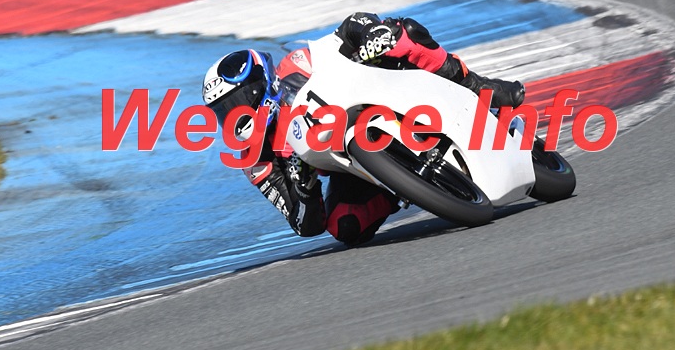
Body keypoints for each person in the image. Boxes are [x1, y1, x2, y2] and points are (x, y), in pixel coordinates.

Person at [202, 13, 526, 246]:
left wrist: (370, 35)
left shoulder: (295, 65)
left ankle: (476, 85)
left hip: (380, 92)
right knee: (346, 227)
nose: (235, 115)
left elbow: (346, 29)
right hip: (351, 166)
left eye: (238, 101)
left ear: (260, 82)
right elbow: (305, 225)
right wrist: (303, 184)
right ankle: (404, 185)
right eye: (223, 111)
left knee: (402, 33)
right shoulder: (255, 160)